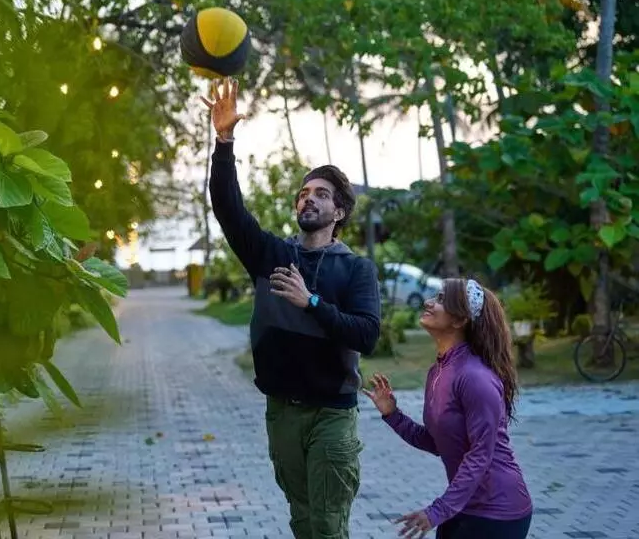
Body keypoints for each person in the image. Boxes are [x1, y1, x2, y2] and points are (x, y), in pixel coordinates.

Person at [200, 77, 381, 539]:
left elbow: (366, 336)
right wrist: (224, 142)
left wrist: (312, 302)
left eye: (321, 194)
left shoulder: (356, 270)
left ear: (338, 212)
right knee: (303, 520)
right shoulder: (271, 255)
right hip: (281, 411)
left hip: (332, 414)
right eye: (304, 193)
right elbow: (228, 209)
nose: (309, 199)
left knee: (327, 523)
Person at [363, 278, 533, 539]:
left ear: (459, 320)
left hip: (499, 511)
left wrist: (436, 511)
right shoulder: (439, 371)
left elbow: (480, 454)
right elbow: (439, 442)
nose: (429, 302)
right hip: (463, 504)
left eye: (441, 299)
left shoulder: (476, 378)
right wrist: (392, 415)